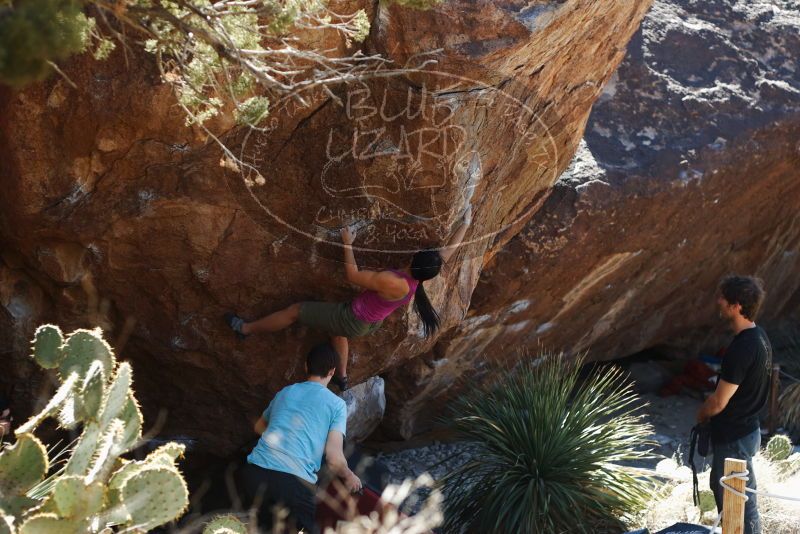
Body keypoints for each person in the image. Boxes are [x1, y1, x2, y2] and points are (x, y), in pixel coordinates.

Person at [226, 209, 472, 391]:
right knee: (337, 333)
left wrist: (347, 243)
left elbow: (352, 275)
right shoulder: (420, 276)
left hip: (352, 318)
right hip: (367, 321)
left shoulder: (394, 281)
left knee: (295, 310)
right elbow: (446, 253)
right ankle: (341, 377)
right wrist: (466, 223)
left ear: (416, 260)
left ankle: (245, 329)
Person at [241, 343, 362, 533]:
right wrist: (350, 476)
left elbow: (259, 427)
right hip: (293, 484)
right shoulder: (336, 405)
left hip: (255, 473)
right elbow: (333, 458)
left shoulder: (285, 392)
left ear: (306, 366)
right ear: (332, 371)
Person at [696, 275, 771, 534]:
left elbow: (719, 402)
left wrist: (702, 415)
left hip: (734, 437)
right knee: (734, 499)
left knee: (738, 504)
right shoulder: (760, 337)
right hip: (747, 431)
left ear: (736, 305)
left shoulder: (743, 348)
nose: (718, 302)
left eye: (723, 298)